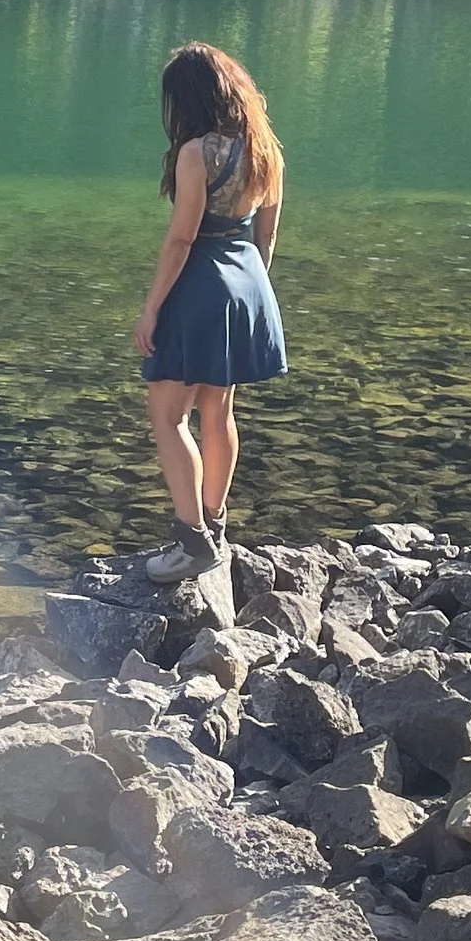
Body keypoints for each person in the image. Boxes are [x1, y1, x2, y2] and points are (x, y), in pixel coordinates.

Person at [134, 42, 288, 580]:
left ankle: (191, 539)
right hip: (247, 281)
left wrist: (152, 308)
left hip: (201, 283)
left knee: (168, 414)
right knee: (218, 412)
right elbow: (266, 237)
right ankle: (215, 523)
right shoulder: (265, 148)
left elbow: (181, 240)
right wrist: (249, 293)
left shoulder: (197, 154)